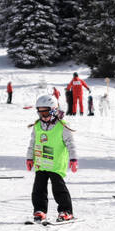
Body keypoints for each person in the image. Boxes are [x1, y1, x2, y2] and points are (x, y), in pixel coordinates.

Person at [26, 94, 77, 222]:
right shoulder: (37, 126)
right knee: (38, 189)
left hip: (55, 164)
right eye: (40, 112)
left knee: (58, 188)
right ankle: (40, 210)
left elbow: (71, 144)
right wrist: (29, 158)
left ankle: (66, 210)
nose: (43, 115)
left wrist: (73, 159)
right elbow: (32, 143)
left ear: (54, 110)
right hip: (41, 162)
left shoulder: (62, 126)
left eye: (46, 112)